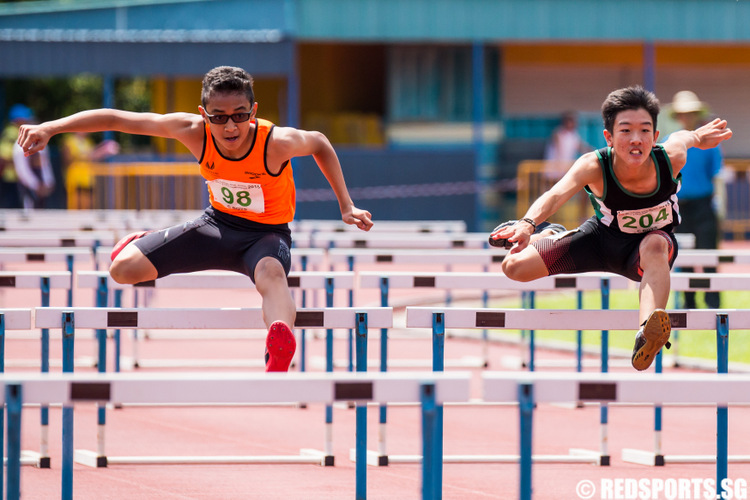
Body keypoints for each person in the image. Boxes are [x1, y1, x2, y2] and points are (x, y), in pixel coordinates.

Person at [18, 65, 374, 372]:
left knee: (273, 275)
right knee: (121, 271)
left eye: (240, 114)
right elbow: (116, 118)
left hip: (266, 236)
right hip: (216, 227)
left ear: (254, 111)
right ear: (203, 114)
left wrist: (346, 204)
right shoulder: (192, 131)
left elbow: (320, 143)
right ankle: (141, 242)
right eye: (219, 117)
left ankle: (279, 344)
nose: (230, 126)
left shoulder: (277, 142)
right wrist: (51, 127)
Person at [489, 85, 732, 371]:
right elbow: (555, 194)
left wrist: (698, 136)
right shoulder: (593, 164)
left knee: (655, 244)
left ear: (655, 136)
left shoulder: (670, 157)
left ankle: (647, 334)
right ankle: (551, 234)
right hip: (600, 241)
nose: (636, 140)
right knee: (513, 267)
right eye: (626, 130)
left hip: (646, 251)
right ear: (609, 136)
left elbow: (683, 137)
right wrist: (527, 224)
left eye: (644, 131)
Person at [667, 91, 723, 309]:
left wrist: (721, 208)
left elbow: (717, 176)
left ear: (697, 114)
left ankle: (714, 305)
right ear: (678, 116)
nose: (687, 117)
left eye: (691, 113)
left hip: (704, 205)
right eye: (683, 113)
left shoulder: (711, 143)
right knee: (684, 258)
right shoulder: (668, 144)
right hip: (678, 208)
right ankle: (689, 304)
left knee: (710, 256)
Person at [4, 104, 55, 209]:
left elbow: (44, 164)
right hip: (18, 181)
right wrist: (36, 185)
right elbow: (20, 165)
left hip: (30, 182)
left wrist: (47, 182)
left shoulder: (39, 141)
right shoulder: (14, 138)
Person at [61, 131, 120, 209]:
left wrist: (101, 151)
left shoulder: (88, 141)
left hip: (88, 178)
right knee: (76, 204)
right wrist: (97, 152)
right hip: (75, 178)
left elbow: (92, 157)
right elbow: (68, 160)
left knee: (88, 204)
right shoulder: (69, 141)